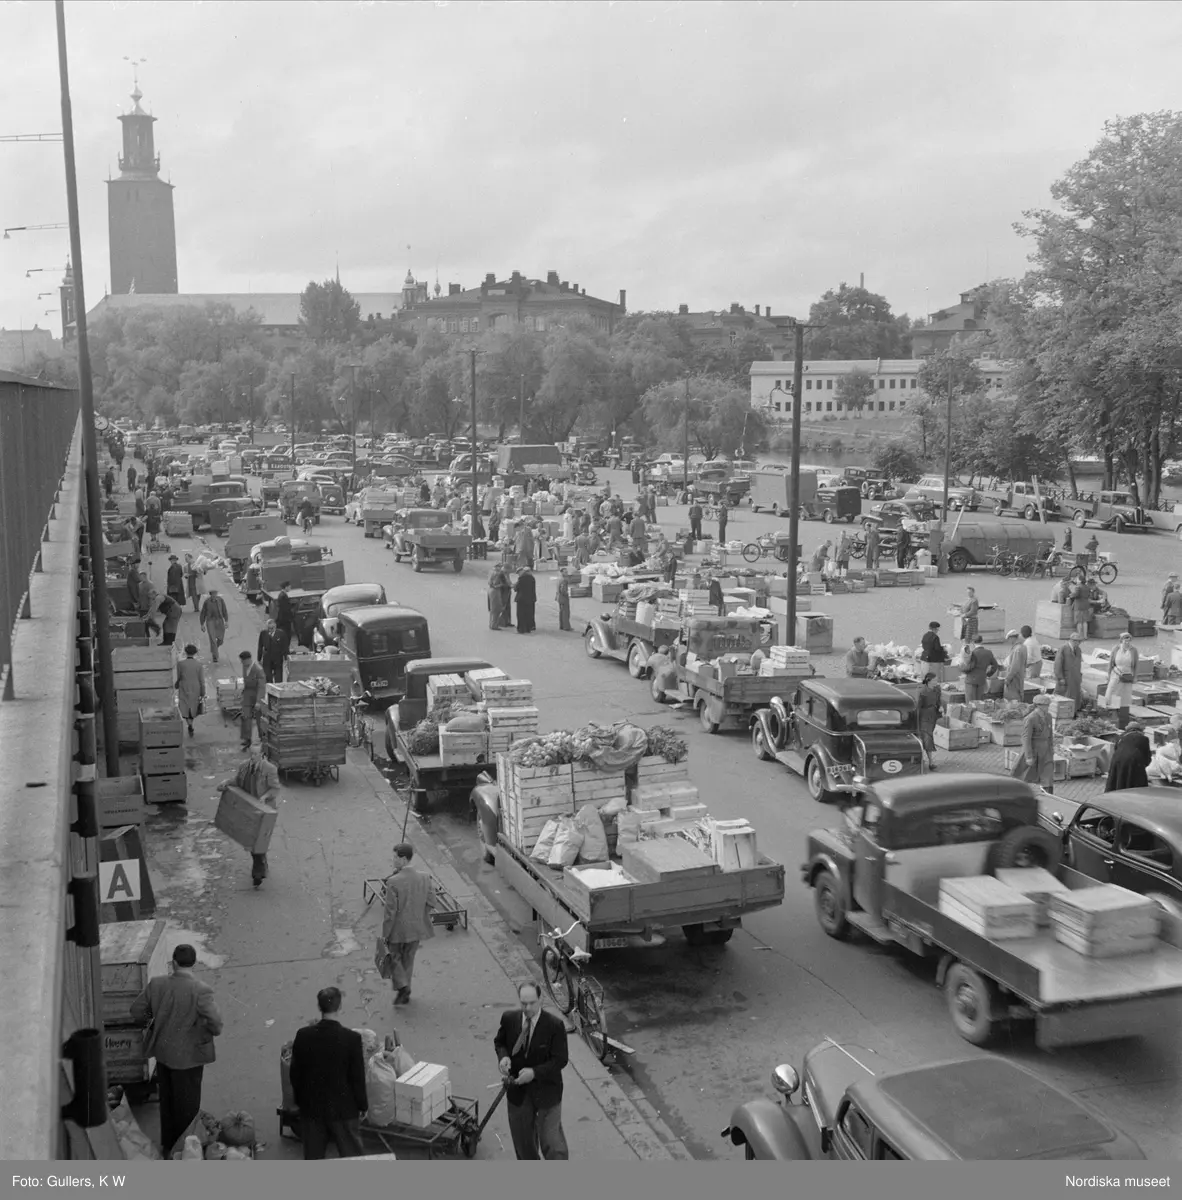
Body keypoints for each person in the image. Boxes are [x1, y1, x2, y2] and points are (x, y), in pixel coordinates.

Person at [129, 944, 223, 1156]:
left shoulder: (157, 984)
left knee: (168, 1101)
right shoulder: (201, 991)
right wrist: (203, 1031)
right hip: (189, 1058)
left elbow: (136, 1011)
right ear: (195, 963)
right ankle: (185, 1150)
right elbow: (216, 1024)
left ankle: (168, 1145)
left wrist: (150, 1023)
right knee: (187, 1106)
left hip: (163, 1054)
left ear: (173, 963)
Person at [288, 987, 368, 1160]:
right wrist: (362, 1105)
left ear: (319, 1007)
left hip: (312, 1109)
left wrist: (301, 1102)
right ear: (340, 1008)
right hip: (343, 1109)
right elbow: (357, 1078)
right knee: (352, 1155)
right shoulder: (351, 1039)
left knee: (314, 1156)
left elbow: (295, 1074)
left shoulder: (303, 1035)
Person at [494, 981, 570, 1160]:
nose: (527, 1008)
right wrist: (503, 1057)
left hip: (546, 1091)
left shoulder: (554, 1026)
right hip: (518, 1092)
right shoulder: (509, 1019)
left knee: (552, 1143)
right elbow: (500, 1042)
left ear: (540, 1000)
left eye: (532, 1003)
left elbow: (560, 1060)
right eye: (523, 1003)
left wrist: (534, 1073)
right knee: (524, 1145)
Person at [218, 748, 282, 886]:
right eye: (251, 753)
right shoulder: (244, 766)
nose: (252, 756)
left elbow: (275, 788)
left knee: (257, 840)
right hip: (248, 808)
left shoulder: (270, 769)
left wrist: (265, 797)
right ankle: (261, 863)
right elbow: (238, 781)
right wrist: (227, 782)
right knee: (252, 839)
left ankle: (258, 872)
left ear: (262, 755)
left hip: (264, 810)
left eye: (255, 754)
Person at [381, 843, 435, 1005]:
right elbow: (432, 901)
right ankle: (406, 989)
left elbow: (390, 912)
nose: (393, 860)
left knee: (394, 957)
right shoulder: (425, 877)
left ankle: (403, 986)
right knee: (409, 959)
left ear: (403, 859)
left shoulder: (393, 882)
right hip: (416, 928)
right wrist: (420, 914)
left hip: (397, 930)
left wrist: (385, 933)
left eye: (395, 857)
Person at [1011, 693, 1055, 791]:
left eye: (1048, 705)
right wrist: (1029, 756)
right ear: (1039, 706)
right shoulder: (1031, 719)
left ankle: (1048, 795)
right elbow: (1026, 738)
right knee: (1024, 774)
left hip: (1046, 750)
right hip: (1034, 749)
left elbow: (1050, 733)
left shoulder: (1048, 717)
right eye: (1046, 705)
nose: (1048, 707)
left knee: (1048, 774)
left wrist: (1051, 748)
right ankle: (1017, 792)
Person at [1103, 631, 1139, 729]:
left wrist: (1135, 676)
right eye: (1125, 640)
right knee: (1112, 692)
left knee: (1125, 695)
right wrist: (1108, 674)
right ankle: (1112, 713)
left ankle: (1123, 714)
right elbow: (1111, 663)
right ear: (1121, 640)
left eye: (1128, 640)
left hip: (1127, 676)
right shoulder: (1116, 649)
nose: (1127, 642)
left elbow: (1135, 665)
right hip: (1116, 674)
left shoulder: (1134, 650)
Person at [1105, 722, 1152, 792]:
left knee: (1118, 777)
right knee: (1133, 779)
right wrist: (1144, 765)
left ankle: (1116, 793)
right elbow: (1146, 754)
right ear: (1139, 730)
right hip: (1133, 760)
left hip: (1117, 758)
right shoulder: (1144, 738)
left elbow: (1116, 748)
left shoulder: (1121, 737)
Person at [239, 650, 267, 750]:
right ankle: (246, 738)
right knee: (245, 716)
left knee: (259, 719)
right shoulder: (244, 666)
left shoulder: (258, 669)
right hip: (247, 694)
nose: (242, 663)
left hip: (256, 695)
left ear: (248, 660)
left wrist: (259, 701)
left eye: (243, 661)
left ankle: (261, 737)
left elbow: (261, 686)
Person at [176, 643, 205, 738]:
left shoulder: (180, 664)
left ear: (185, 652)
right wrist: (203, 692)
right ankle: (191, 723)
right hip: (195, 687)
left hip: (184, 686)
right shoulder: (199, 665)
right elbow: (201, 680)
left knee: (184, 704)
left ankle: (189, 724)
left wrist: (177, 684)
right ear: (195, 653)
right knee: (193, 706)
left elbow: (179, 676)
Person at [962, 635, 999, 703]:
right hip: (981, 680)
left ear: (972, 642)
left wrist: (961, 667)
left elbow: (967, 667)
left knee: (971, 704)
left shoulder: (972, 653)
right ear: (982, 641)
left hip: (971, 680)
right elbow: (995, 666)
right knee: (979, 703)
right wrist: (988, 674)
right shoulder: (988, 652)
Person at [917, 672, 941, 770]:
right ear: (929, 681)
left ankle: (922, 759)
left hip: (933, 716)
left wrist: (941, 707)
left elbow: (939, 701)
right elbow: (918, 707)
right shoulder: (922, 692)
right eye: (934, 680)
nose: (936, 682)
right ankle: (931, 762)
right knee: (928, 737)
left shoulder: (937, 689)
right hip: (925, 717)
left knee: (927, 737)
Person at [1054, 632, 1084, 705]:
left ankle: (1073, 712)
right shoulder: (1063, 648)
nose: (1080, 643)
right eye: (1078, 641)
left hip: (1075, 678)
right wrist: (1060, 677)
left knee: (1074, 697)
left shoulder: (1078, 650)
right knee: (1063, 696)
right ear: (1073, 641)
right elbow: (1058, 664)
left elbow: (1079, 664)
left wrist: (1079, 676)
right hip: (1066, 678)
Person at [199, 587, 228, 663]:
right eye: (213, 594)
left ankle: (214, 649)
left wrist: (226, 621)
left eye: (215, 594)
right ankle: (215, 656)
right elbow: (203, 613)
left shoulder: (220, 600)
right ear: (210, 595)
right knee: (212, 640)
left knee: (220, 639)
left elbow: (224, 610)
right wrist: (202, 624)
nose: (214, 595)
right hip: (210, 621)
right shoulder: (207, 602)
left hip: (219, 620)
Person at [258, 618, 289, 683]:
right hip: (267, 659)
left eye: (272, 628)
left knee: (278, 678)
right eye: (269, 628)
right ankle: (270, 692)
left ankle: (278, 690)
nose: (270, 630)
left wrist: (286, 659)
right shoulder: (263, 633)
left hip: (277, 658)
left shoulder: (281, 634)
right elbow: (260, 646)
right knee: (268, 677)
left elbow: (285, 647)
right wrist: (259, 658)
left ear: (275, 626)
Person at [1002, 631, 1027, 701]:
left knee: (1013, 700)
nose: (1008, 641)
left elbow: (1015, 667)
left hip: (1014, 679)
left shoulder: (1017, 650)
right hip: (1020, 676)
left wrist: (1008, 679)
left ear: (1012, 638)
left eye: (1008, 639)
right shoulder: (1023, 647)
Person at [488, 563, 511, 630]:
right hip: (496, 591)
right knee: (497, 609)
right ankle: (494, 625)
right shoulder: (499, 573)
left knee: (492, 609)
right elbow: (504, 583)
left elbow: (489, 582)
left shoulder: (491, 572)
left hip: (490, 590)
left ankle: (491, 624)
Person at [514, 567, 537, 634]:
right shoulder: (532, 578)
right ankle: (528, 628)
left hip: (521, 599)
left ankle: (521, 628)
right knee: (528, 614)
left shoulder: (521, 579)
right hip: (530, 598)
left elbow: (516, 588)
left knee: (520, 614)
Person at [275, 582, 295, 649]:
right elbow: (285, 609)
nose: (290, 588)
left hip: (283, 618)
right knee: (287, 634)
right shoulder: (283, 596)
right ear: (286, 587)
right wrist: (291, 617)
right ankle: (285, 648)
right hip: (284, 619)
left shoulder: (282, 595)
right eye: (289, 587)